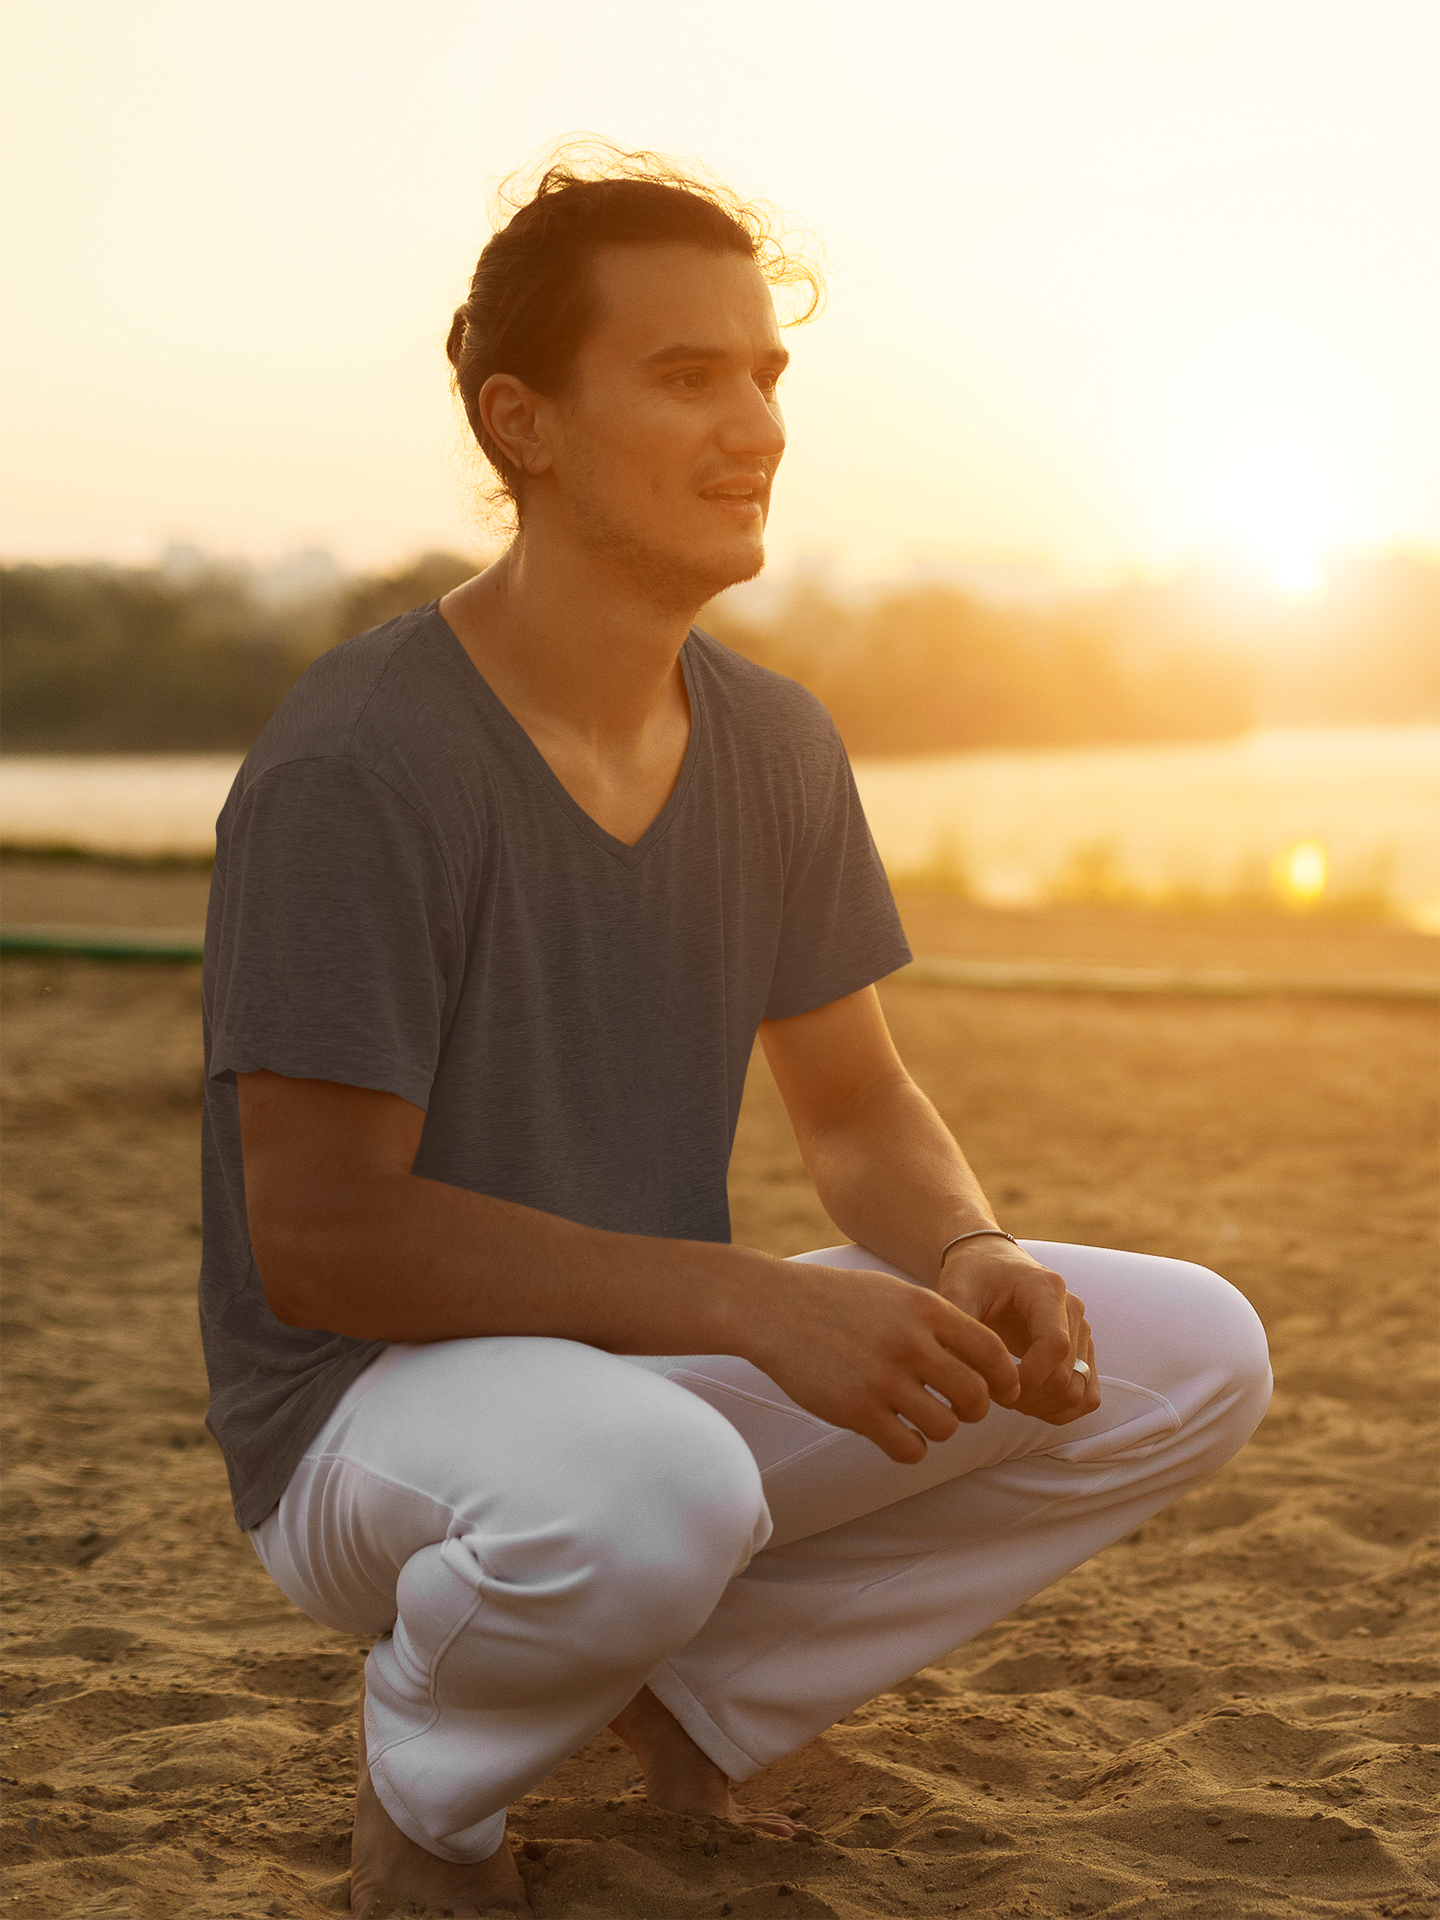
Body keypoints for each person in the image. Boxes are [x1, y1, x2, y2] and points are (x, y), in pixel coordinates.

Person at [199, 151, 1271, 1918]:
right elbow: (320, 1241)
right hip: (361, 1427)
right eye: (688, 376)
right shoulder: (358, 765)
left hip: (624, 1385)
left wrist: (968, 1246)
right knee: (657, 1491)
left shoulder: (772, 743)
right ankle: (434, 1786)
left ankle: (705, 1702)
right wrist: (755, 1302)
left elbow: (855, 1106)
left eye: (768, 376)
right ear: (522, 423)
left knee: (1188, 1351)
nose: (755, 424)